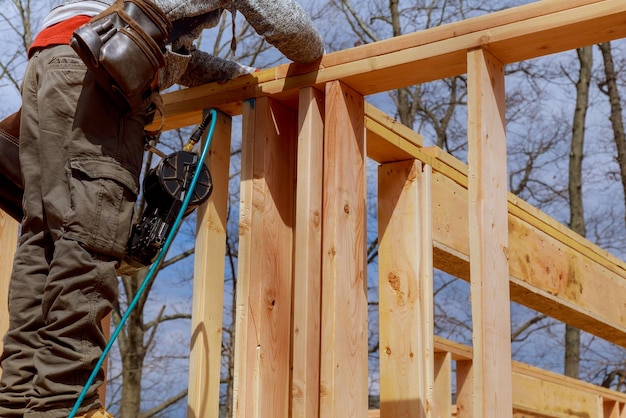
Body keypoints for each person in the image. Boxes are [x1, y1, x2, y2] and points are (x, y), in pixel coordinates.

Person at [0, 1, 324, 417]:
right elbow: (282, 20)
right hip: (96, 69)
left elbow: (167, 48)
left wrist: (235, 76)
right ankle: (65, 404)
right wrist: (315, 55)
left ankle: (17, 401)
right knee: (90, 231)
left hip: (55, 63)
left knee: (44, 239)